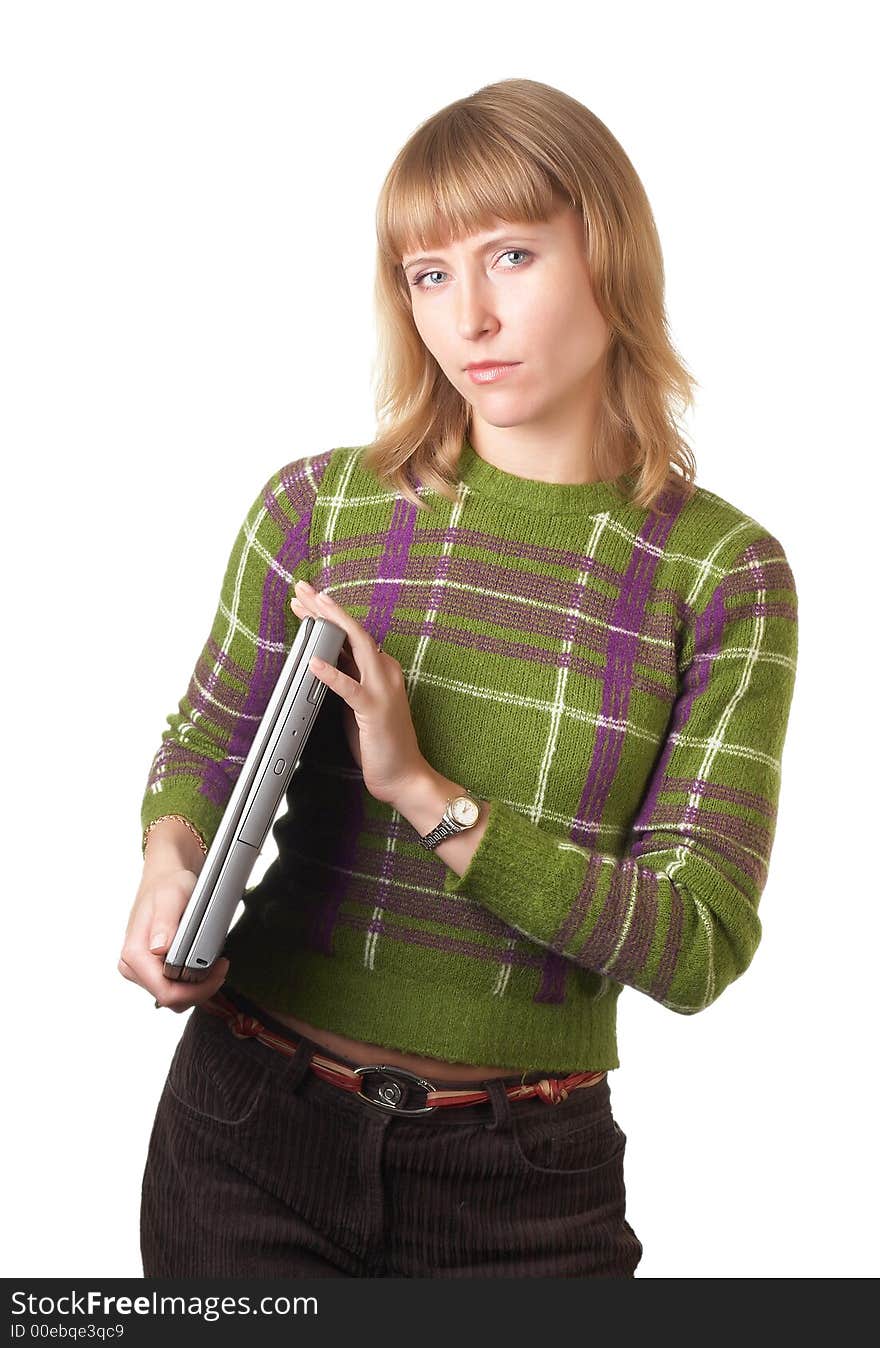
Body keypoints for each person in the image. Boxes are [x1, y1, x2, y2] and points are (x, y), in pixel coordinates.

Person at [122, 77, 798, 1279]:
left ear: (610, 251)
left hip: (525, 1194)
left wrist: (427, 795)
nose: (470, 314)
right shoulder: (319, 507)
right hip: (245, 1142)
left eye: (511, 255)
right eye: (429, 274)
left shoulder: (722, 575)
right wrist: (171, 863)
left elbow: (694, 944)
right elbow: (203, 748)